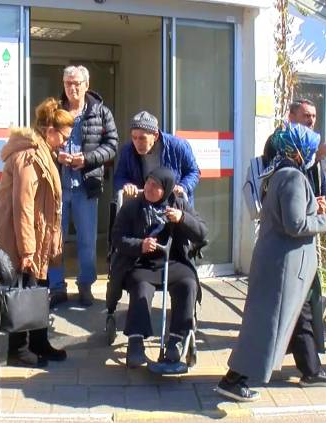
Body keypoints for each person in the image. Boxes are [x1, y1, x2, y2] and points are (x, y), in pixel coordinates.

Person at [217, 122, 326, 402]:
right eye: (309, 147)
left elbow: (293, 212)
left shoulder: (282, 173)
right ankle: (233, 380)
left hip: (282, 265)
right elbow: (295, 224)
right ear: (300, 151)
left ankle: (311, 369)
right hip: (282, 267)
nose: (312, 153)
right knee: (265, 326)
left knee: (285, 320)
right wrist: (325, 220)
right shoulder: (293, 177)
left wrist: (314, 207)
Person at [0, 97, 74, 368]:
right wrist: (27, 250)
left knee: (38, 288)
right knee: (22, 289)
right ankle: (17, 350)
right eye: (63, 136)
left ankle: (39, 343)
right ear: (49, 130)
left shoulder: (42, 152)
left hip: (35, 234)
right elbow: (22, 205)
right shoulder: (29, 157)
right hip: (23, 237)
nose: (65, 142)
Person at [107, 167, 208, 368]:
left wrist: (182, 219)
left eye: (155, 186)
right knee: (140, 285)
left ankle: (176, 339)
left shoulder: (178, 204)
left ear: (167, 190)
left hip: (173, 261)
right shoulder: (133, 207)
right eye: (148, 183)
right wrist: (140, 245)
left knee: (188, 283)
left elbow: (203, 233)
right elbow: (117, 238)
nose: (148, 188)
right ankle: (135, 341)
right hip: (142, 263)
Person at [264, 99, 326, 347]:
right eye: (306, 115)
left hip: (307, 226)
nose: (311, 120)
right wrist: (318, 154)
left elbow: (318, 180)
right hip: (288, 239)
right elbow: (284, 181)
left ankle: (306, 347)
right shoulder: (281, 144)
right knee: (299, 295)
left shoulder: (307, 148)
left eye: (314, 116)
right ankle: (307, 348)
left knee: (305, 295)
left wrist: (325, 203)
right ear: (291, 115)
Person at [47, 65, 119, 308]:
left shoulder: (101, 112)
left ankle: (86, 285)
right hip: (57, 186)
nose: (73, 88)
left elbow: (112, 145)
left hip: (86, 186)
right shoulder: (53, 111)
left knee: (87, 241)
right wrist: (56, 154)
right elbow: (41, 140)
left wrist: (86, 159)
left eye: (77, 83)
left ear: (87, 85)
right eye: (68, 83)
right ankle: (56, 287)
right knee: (55, 239)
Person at [114, 111, 200, 202]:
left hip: (173, 203)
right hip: (143, 205)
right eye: (134, 138)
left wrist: (183, 186)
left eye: (142, 138)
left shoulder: (177, 146)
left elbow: (194, 172)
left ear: (155, 135)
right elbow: (120, 176)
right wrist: (126, 185)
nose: (137, 143)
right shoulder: (128, 150)